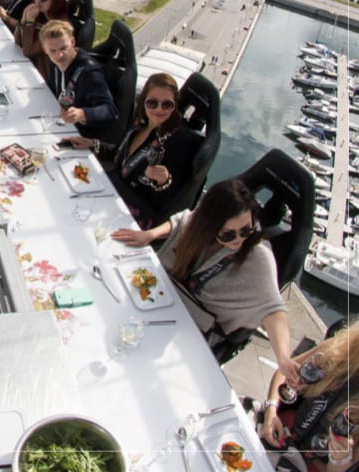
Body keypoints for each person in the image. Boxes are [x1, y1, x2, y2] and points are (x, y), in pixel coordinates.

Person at [111, 179, 296, 381]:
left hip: (190, 330)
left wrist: (284, 357)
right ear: (209, 225)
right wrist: (149, 235)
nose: (238, 239)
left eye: (246, 230)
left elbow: (274, 311)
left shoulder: (257, 257)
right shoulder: (198, 227)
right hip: (161, 298)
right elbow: (183, 221)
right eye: (228, 234)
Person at [64, 73, 200, 229]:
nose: (159, 109)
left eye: (167, 104)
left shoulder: (179, 142)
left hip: (131, 213)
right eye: (152, 103)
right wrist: (92, 143)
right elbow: (120, 155)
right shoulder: (140, 123)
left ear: (175, 105)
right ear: (144, 101)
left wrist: (163, 181)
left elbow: (167, 202)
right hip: (112, 190)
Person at [257, 313, 359, 472]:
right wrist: (271, 409)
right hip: (278, 428)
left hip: (305, 465)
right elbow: (284, 372)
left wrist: (340, 457)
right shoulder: (346, 346)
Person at [39, 19, 117, 138]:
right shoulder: (55, 62)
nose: (59, 55)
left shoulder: (89, 72)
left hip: (81, 135)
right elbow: (52, 88)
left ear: (73, 42)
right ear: (45, 50)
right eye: (53, 51)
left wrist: (82, 113)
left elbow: (110, 111)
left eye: (63, 48)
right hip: (59, 125)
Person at [14, 0, 70, 69]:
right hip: (30, 64)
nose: (38, 1)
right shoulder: (42, 16)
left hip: (42, 72)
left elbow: (28, 51)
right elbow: (17, 41)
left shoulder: (58, 27)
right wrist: (23, 20)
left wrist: (30, 22)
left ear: (55, 1)